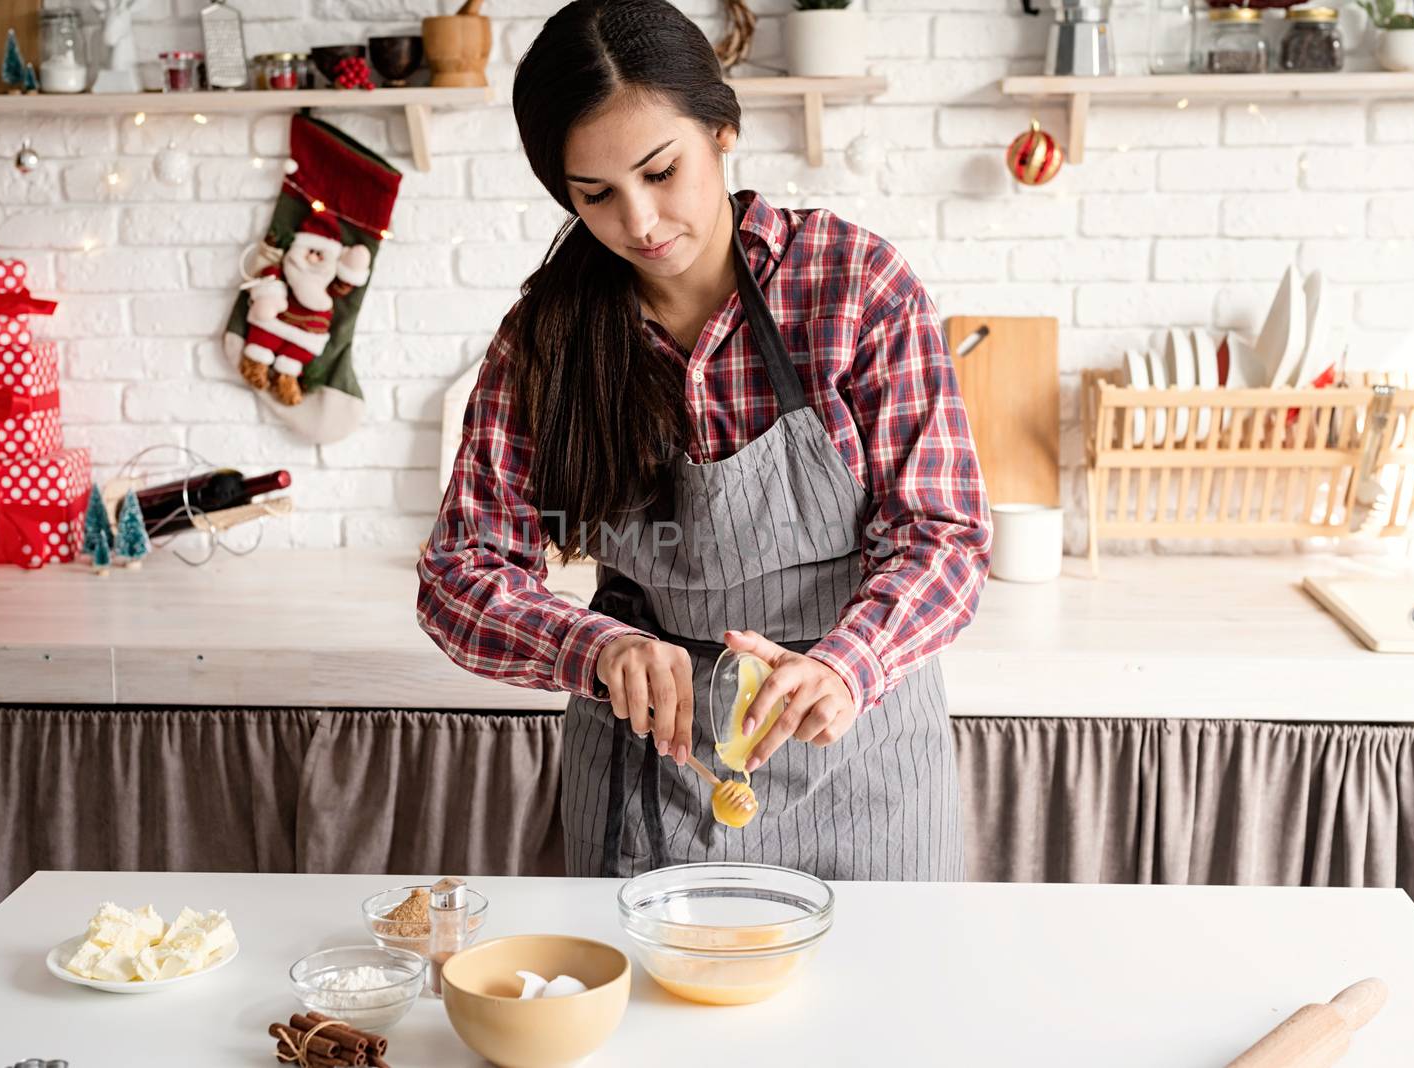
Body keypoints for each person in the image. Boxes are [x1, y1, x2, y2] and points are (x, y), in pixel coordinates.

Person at [417, 0, 990, 880]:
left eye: (661, 170)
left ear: (722, 130)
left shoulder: (853, 287)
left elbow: (944, 539)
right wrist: (596, 648)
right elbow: (460, 573)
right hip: (651, 772)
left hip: (861, 751)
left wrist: (848, 663)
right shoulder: (547, 339)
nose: (640, 223)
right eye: (596, 195)